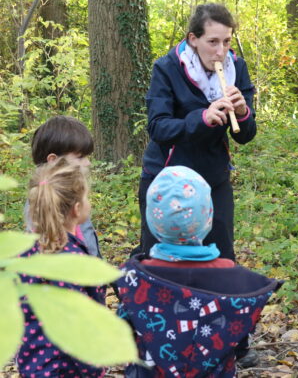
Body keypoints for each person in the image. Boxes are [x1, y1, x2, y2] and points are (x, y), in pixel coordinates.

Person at [117, 166, 281, 377]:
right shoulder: (237, 282)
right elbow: (240, 339)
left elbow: (122, 335)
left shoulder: (135, 278)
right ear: (209, 216)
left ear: (152, 221)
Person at [137, 3, 256, 260]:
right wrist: (202, 119)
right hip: (167, 178)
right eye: (212, 42)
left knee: (221, 256)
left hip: (213, 177)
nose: (221, 51)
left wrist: (242, 112)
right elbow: (157, 127)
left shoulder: (237, 67)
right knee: (159, 258)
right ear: (193, 39)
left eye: (226, 41)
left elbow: (245, 135)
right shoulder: (167, 68)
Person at [16, 158, 106, 378]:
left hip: (32, 365)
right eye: (86, 197)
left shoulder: (23, 255)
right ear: (76, 209)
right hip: (66, 370)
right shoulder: (73, 264)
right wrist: (95, 368)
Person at [25, 115, 101, 258]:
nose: (88, 163)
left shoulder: (71, 193)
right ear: (53, 160)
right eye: (80, 157)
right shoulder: (46, 201)